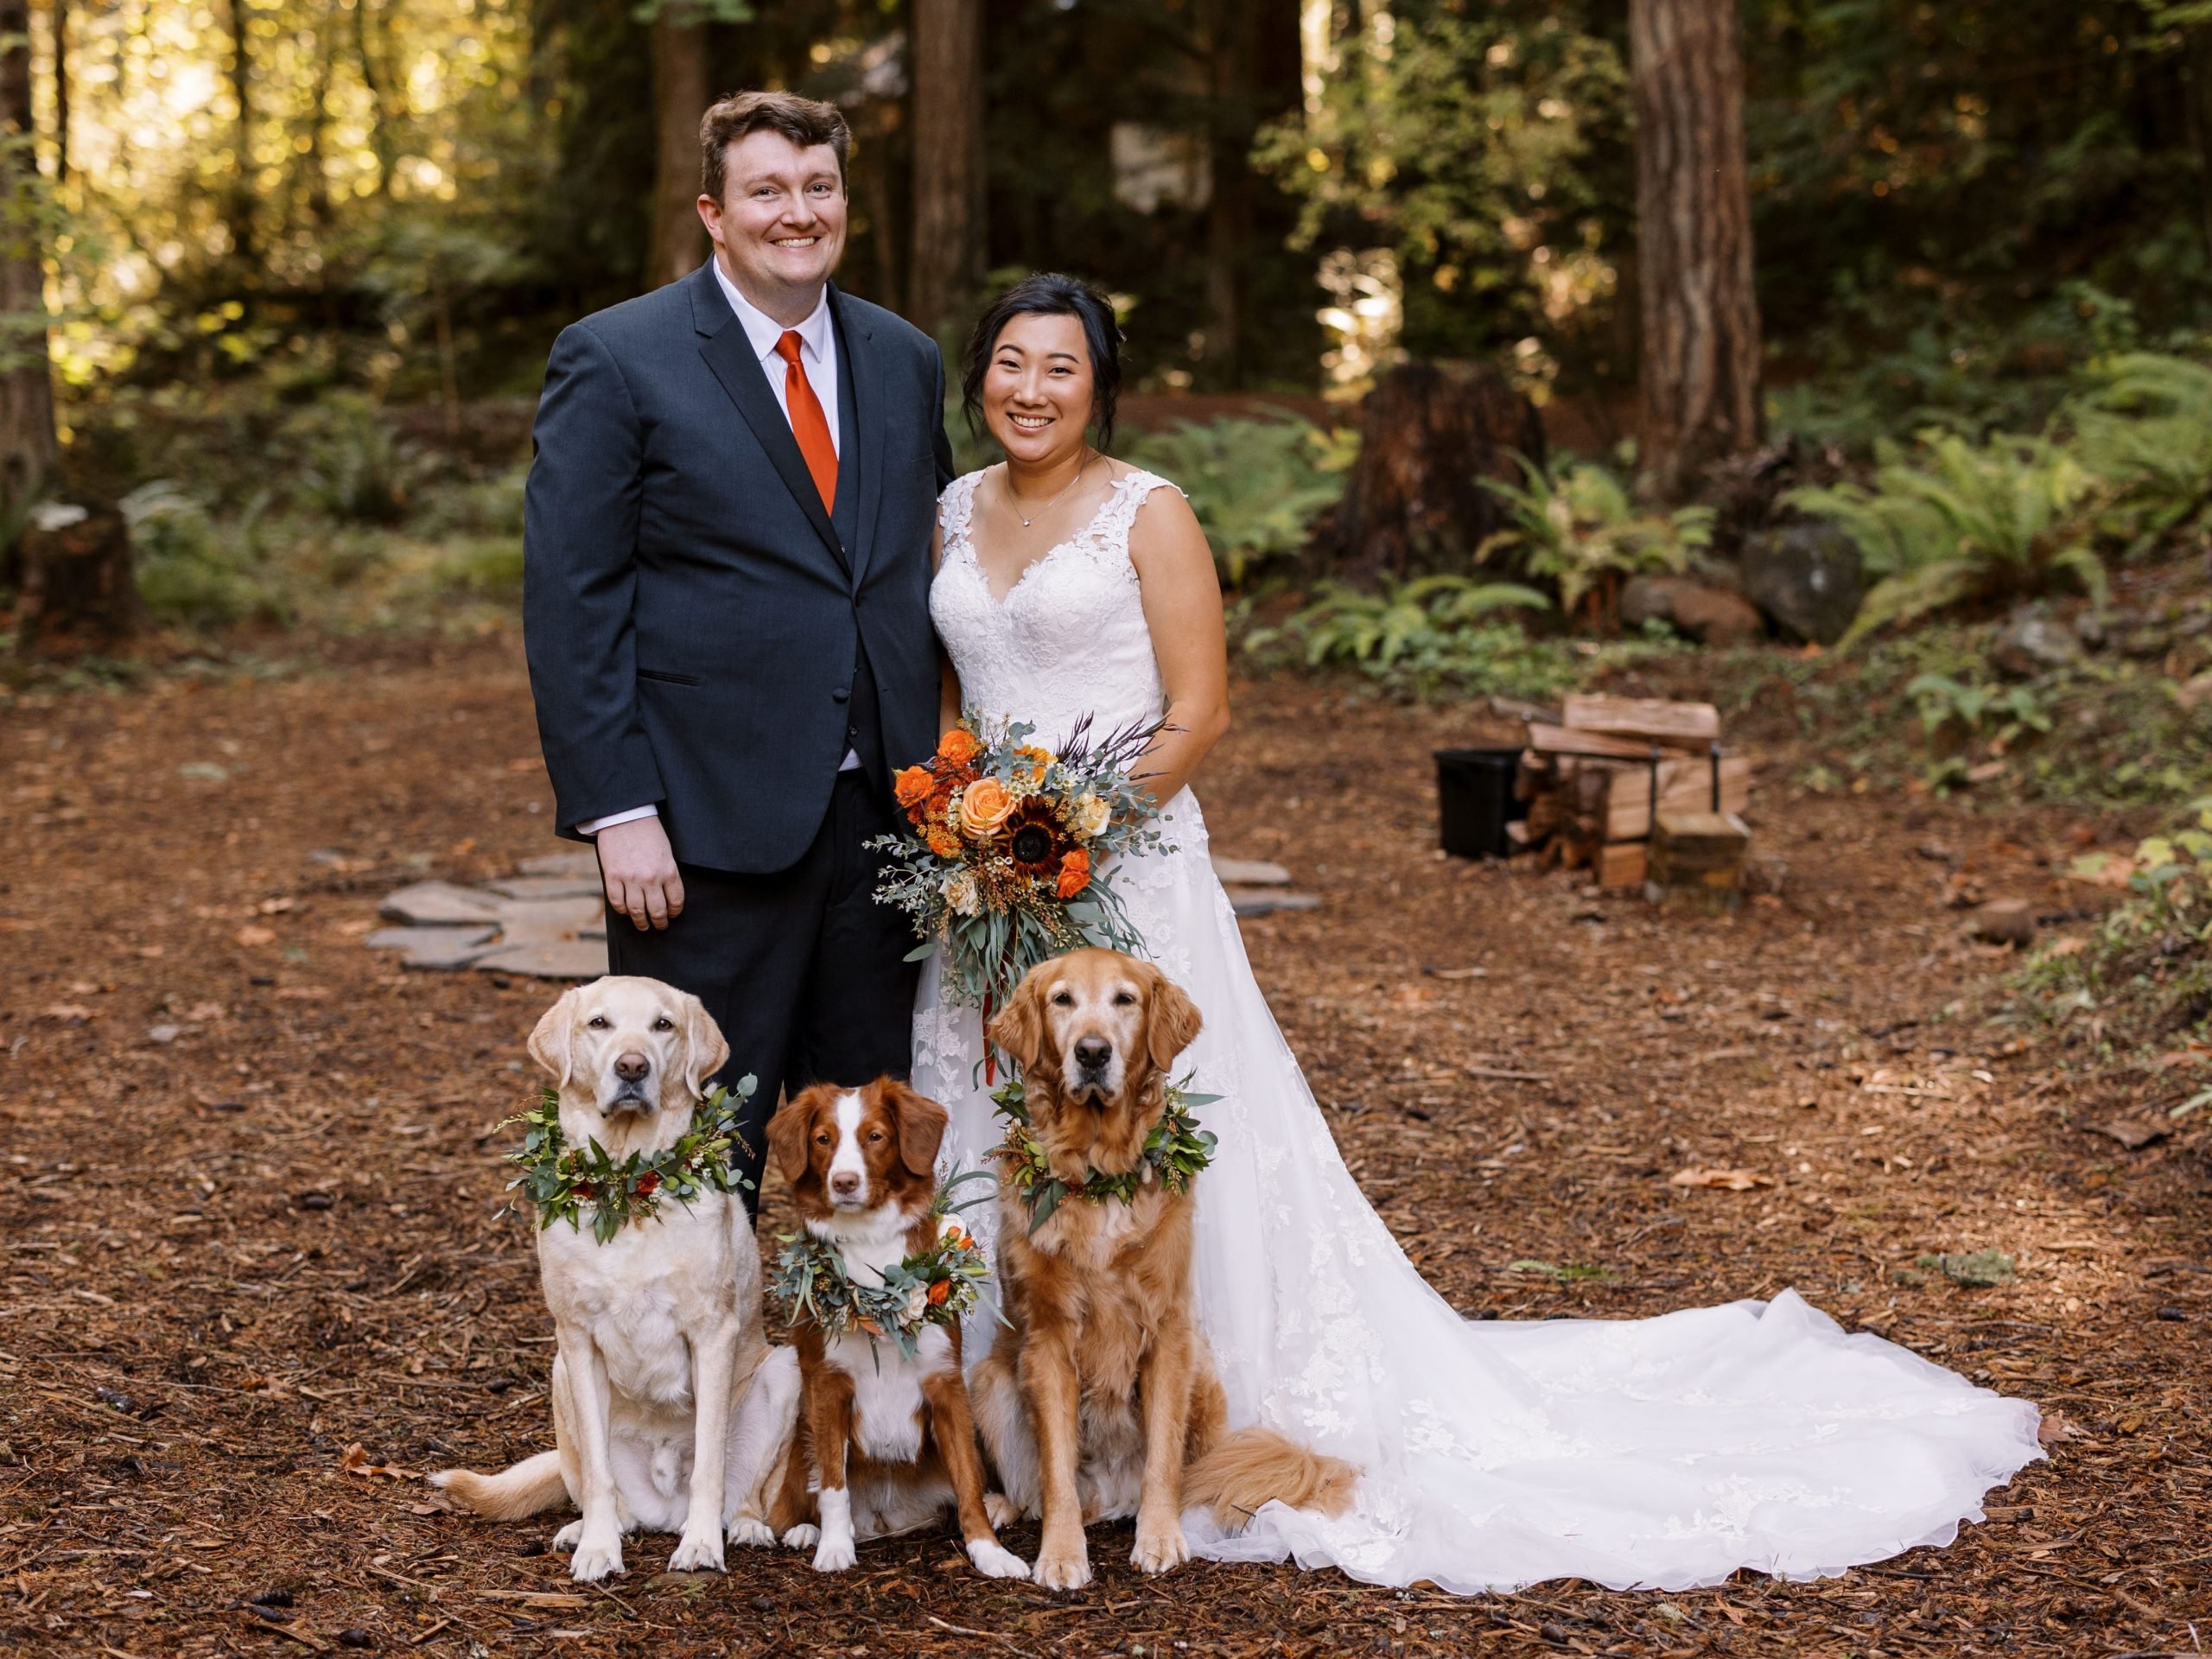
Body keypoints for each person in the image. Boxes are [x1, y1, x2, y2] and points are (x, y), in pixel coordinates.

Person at [912, 272, 2045, 1594]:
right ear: (978, 376)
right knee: (996, 1134)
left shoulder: (1148, 514)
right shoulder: (950, 511)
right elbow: (952, 706)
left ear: (1099, 382)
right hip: (987, 901)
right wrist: (972, 840)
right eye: (1008, 362)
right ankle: (1006, 1439)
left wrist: (1075, 839)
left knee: (1183, 1147)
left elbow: (1199, 710)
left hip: (1125, 881)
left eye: (1060, 365)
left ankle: (1190, 1413)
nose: (1030, 389)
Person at [524, 90, 953, 1203]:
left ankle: (845, 1374)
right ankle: (674, 1376)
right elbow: (572, 602)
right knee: (684, 1143)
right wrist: (618, 810)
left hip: (883, 824)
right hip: (698, 829)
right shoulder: (617, 357)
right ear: (715, 212)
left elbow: (924, 568)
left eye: (819, 188)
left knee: (865, 1139)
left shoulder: (904, 360)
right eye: (767, 190)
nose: (797, 213)